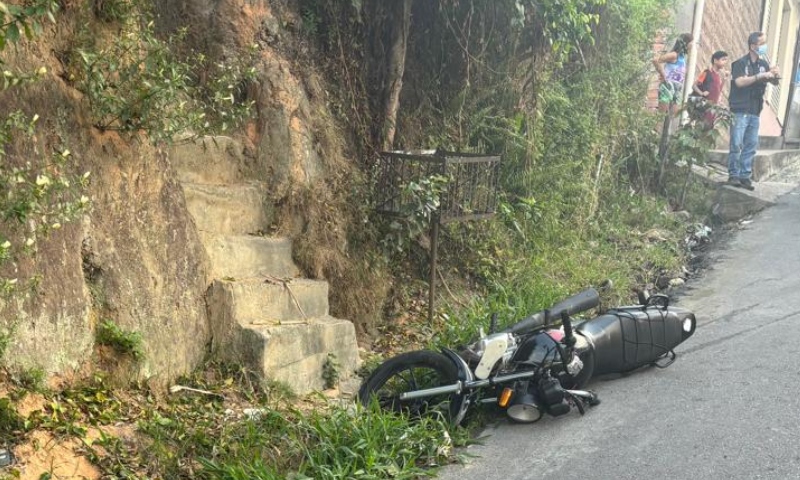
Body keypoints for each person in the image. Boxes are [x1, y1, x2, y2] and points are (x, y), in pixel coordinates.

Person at [727, 31, 780, 190]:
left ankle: (745, 176)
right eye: (761, 43)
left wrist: (775, 75)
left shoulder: (763, 64)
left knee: (751, 144)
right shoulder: (740, 63)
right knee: (736, 143)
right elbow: (739, 82)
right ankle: (733, 175)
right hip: (739, 108)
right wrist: (759, 76)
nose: (764, 46)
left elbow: (774, 82)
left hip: (755, 110)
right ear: (752, 46)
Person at [653, 33, 694, 114]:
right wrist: (662, 74)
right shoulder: (674, 55)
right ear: (686, 43)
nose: (692, 45)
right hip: (667, 87)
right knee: (661, 116)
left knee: (673, 114)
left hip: (677, 90)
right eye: (691, 43)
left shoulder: (683, 59)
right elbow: (656, 60)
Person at [691, 50, 729, 128]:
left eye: (726, 60)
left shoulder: (718, 77)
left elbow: (718, 91)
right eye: (723, 59)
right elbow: (694, 86)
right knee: (699, 131)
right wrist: (701, 93)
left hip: (712, 112)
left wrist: (724, 79)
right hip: (704, 110)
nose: (725, 62)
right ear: (715, 60)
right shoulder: (707, 73)